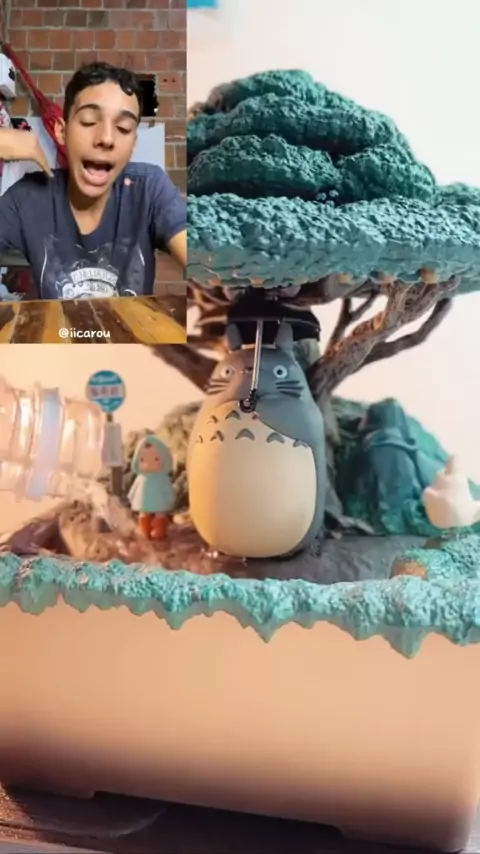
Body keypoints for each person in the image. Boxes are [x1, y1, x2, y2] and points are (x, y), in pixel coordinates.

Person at [0, 62, 187, 300]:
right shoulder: (28, 197)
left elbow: (206, 264)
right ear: (61, 132)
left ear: (133, 144)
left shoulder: (149, 189)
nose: (106, 138)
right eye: (89, 121)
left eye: (123, 128)